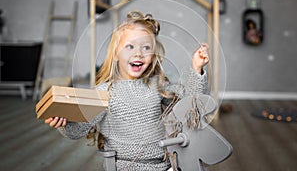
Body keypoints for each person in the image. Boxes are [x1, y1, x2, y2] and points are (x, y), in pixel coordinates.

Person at [45, 10, 209, 170]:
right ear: (116, 54)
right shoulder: (104, 92)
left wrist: (196, 69)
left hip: (163, 165)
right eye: (130, 46)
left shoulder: (157, 85)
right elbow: (78, 130)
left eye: (145, 48)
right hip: (124, 166)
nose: (138, 53)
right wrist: (64, 123)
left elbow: (191, 106)